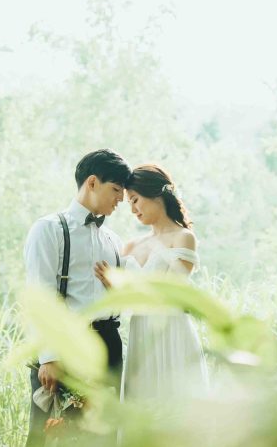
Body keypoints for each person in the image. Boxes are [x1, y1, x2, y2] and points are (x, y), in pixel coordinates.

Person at [23, 149, 130, 446]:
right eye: (116, 190)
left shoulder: (114, 241)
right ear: (93, 182)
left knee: (102, 435)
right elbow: (41, 296)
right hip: (65, 344)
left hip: (108, 343)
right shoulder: (50, 229)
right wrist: (49, 357)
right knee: (52, 433)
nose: (120, 199)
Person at [95, 163, 208, 406]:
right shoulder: (131, 246)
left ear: (156, 194)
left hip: (172, 333)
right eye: (129, 204)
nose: (133, 210)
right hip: (140, 332)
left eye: (135, 200)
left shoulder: (183, 238)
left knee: (176, 407)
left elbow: (169, 294)